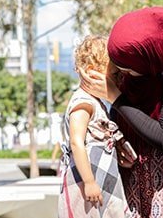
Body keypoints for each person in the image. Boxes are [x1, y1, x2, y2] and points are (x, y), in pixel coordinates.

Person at [79, 7, 163, 218]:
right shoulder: (142, 74)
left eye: (127, 67)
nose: (123, 74)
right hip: (138, 185)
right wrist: (119, 144)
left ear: (147, 55)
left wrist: (116, 98)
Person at [58, 36, 135, 218]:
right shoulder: (83, 103)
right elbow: (77, 143)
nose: (119, 80)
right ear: (92, 73)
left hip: (103, 178)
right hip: (87, 183)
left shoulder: (97, 103)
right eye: (115, 74)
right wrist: (89, 181)